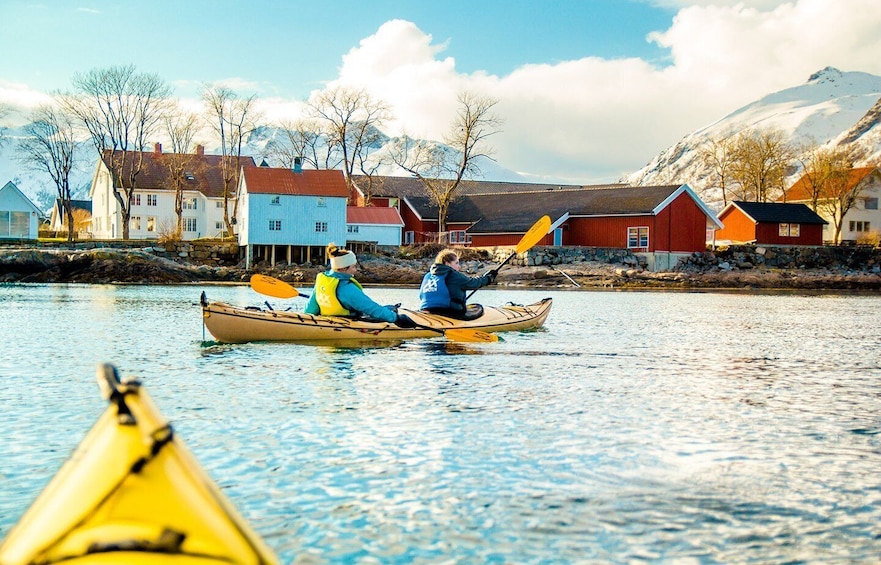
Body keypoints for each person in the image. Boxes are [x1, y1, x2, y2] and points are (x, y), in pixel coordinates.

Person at [305, 243, 417, 327]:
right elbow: (371, 308)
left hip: (327, 322)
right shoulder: (347, 289)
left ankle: (389, 309)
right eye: (353, 267)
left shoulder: (322, 281)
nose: (355, 270)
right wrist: (395, 318)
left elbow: (310, 310)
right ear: (344, 268)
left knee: (387, 309)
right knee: (384, 312)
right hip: (347, 324)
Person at [418, 249, 496, 318]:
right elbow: (473, 283)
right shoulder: (453, 275)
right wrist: (489, 278)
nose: (459, 266)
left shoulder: (428, 275)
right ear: (447, 263)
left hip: (426, 309)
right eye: (456, 263)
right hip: (449, 312)